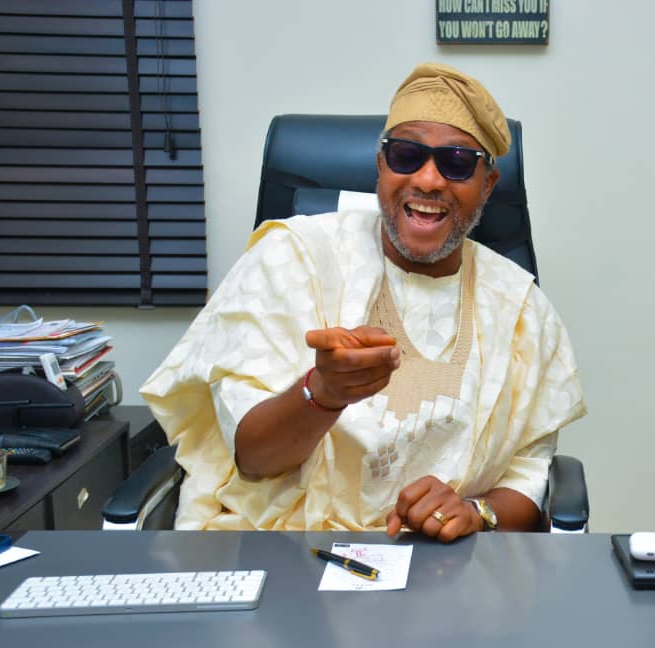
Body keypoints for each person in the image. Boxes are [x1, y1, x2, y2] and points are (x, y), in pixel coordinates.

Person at [140, 62, 586, 541]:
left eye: (457, 162)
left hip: (444, 564)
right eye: (406, 155)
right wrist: (322, 394)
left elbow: (529, 478)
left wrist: (476, 513)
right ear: (381, 165)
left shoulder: (520, 309)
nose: (429, 180)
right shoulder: (291, 259)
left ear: (488, 184)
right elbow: (252, 458)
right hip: (286, 548)